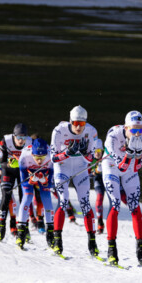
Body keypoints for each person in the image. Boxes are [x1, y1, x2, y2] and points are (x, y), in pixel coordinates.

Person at [102, 111, 142, 266]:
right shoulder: (113, 136)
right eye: (133, 129)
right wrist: (130, 154)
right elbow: (120, 166)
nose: (137, 133)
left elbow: (137, 167)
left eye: (140, 129)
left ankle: (141, 250)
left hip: (130, 166)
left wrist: (136, 155)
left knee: (135, 206)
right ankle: (112, 249)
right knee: (115, 204)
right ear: (125, 128)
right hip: (111, 164)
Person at [50, 105, 100, 257]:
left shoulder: (91, 131)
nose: (78, 127)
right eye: (76, 124)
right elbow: (53, 158)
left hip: (80, 168)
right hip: (63, 167)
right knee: (63, 200)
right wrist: (67, 153)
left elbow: (92, 160)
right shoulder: (59, 131)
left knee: (85, 203)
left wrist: (86, 153)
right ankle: (57, 240)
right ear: (70, 121)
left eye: (82, 124)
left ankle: (92, 241)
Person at [15, 138, 55, 250]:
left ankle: (51, 234)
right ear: (32, 154)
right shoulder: (24, 156)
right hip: (29, 173)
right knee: (27, 196)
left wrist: (44, 180)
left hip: (44, 173)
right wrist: (31, 180)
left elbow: (50, 179)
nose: (39, 161)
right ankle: (21, 232)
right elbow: (23, 179)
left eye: (42, 158)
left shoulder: (51, 156)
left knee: (46, 198)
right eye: (37, 158)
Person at [0, 123, 32, 241]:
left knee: (24, 199)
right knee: (6, 196)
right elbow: (1, 162)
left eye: (24, 138)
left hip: (23, 172)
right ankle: (1, 227)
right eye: (19, 138)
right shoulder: (6, 141)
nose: (21, 141)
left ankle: (24, 229)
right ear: (14, 136)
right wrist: (10, 164)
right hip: (9, 171)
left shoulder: (30, 142)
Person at [91, 138, 106, 234]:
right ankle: (100, 221)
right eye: (95, 151)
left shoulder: (106, 157)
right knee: (99, 199)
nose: (97, 153)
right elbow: (90, 173)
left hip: (109, 181)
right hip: (98, 181)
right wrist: (96, 171)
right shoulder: (91, 160)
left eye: (99, 151)